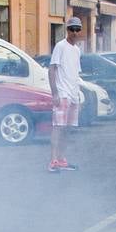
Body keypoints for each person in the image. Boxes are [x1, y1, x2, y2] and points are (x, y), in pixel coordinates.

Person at [47, 17, 84, 173]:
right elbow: (52, 69)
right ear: (67, 30)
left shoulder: (77, 50)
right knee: (58, 127)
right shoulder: (60, 46)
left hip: (73, 94)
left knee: (68, 128)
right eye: (72, 29)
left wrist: (79, 96)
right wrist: (55, 93)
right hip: (62, 93)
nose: (75, 32)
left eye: (77, 29)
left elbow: (75, 74)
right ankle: (53, 161)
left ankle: (62, 158)